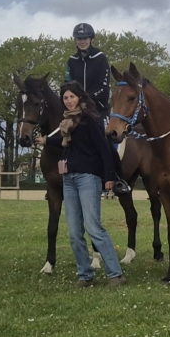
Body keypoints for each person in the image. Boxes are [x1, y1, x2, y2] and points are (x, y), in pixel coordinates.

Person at [57, 81, 124, 287]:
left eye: (72, 96)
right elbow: (67, 144)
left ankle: (115, 274)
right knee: (74, 233)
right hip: (69, 179)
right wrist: (45, 141)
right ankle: (85, 275)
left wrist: (109, 176)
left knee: (94, 227)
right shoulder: (66, 123)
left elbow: (104, 148)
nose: (69, 101)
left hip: (88, 178)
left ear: (79, 97)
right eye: (65, 97)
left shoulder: (90, 120)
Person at [65, 23, 113, 116]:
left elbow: (103, 88)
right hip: (77, 108)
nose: (82, 41)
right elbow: (67, 86)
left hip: (99, 109)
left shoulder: (100, 58)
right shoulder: (72, 61)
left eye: (85, 38)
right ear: (75, 40)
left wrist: (86, 99)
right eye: (79, 39)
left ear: (91, 39)